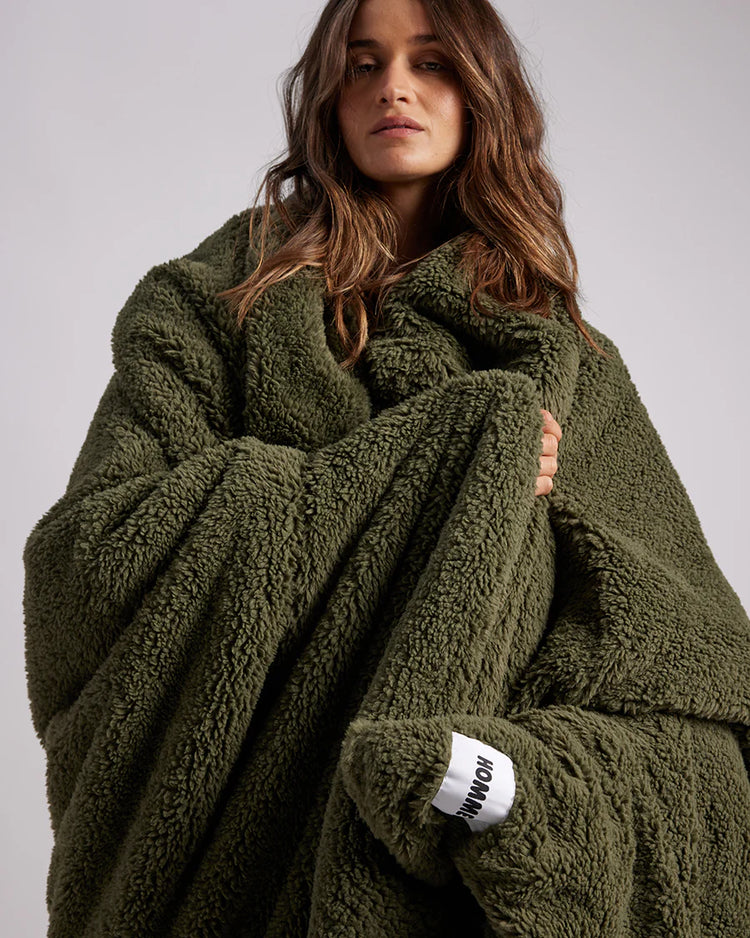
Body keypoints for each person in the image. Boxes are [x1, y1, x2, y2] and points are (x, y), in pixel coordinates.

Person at [23, 1, 749, 936]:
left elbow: (690, 680)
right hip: (235, 868)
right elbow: (91, 557)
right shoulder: (210, 306)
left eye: (432, 63)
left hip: (438, 869)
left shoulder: (568, 366)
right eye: (361, 65)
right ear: (326, 99)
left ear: (483, 93)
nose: (393, 87)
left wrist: (502, 785)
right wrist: (437, 456)